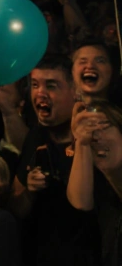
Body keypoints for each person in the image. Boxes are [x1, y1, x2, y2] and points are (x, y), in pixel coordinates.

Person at [10, 54, 100, 265]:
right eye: (35, 85)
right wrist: (29, 191)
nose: (40, 93)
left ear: (75, 91)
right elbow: (15, 208)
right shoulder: (36, 136)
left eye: (51, 86)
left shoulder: (98, 137)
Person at [68, 101, 122, 265]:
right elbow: (80, 204)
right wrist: (81, 142)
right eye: (90, 129)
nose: (95, 137)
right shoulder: (101, 190)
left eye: (104, 126)